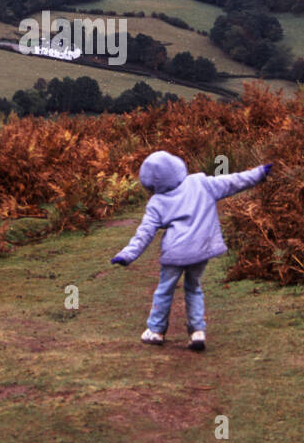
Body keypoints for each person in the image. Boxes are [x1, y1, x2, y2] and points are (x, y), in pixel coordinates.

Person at [111, 150, 272, 351]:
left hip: (175, 254)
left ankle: (156, 330)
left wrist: (127, 254)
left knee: (164, 290)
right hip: (201, 250)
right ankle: (197, 331)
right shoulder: (201, 183)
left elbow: (144, 233)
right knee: (194, 287)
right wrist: (260, 172)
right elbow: (233, 181)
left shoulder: (157, 202)